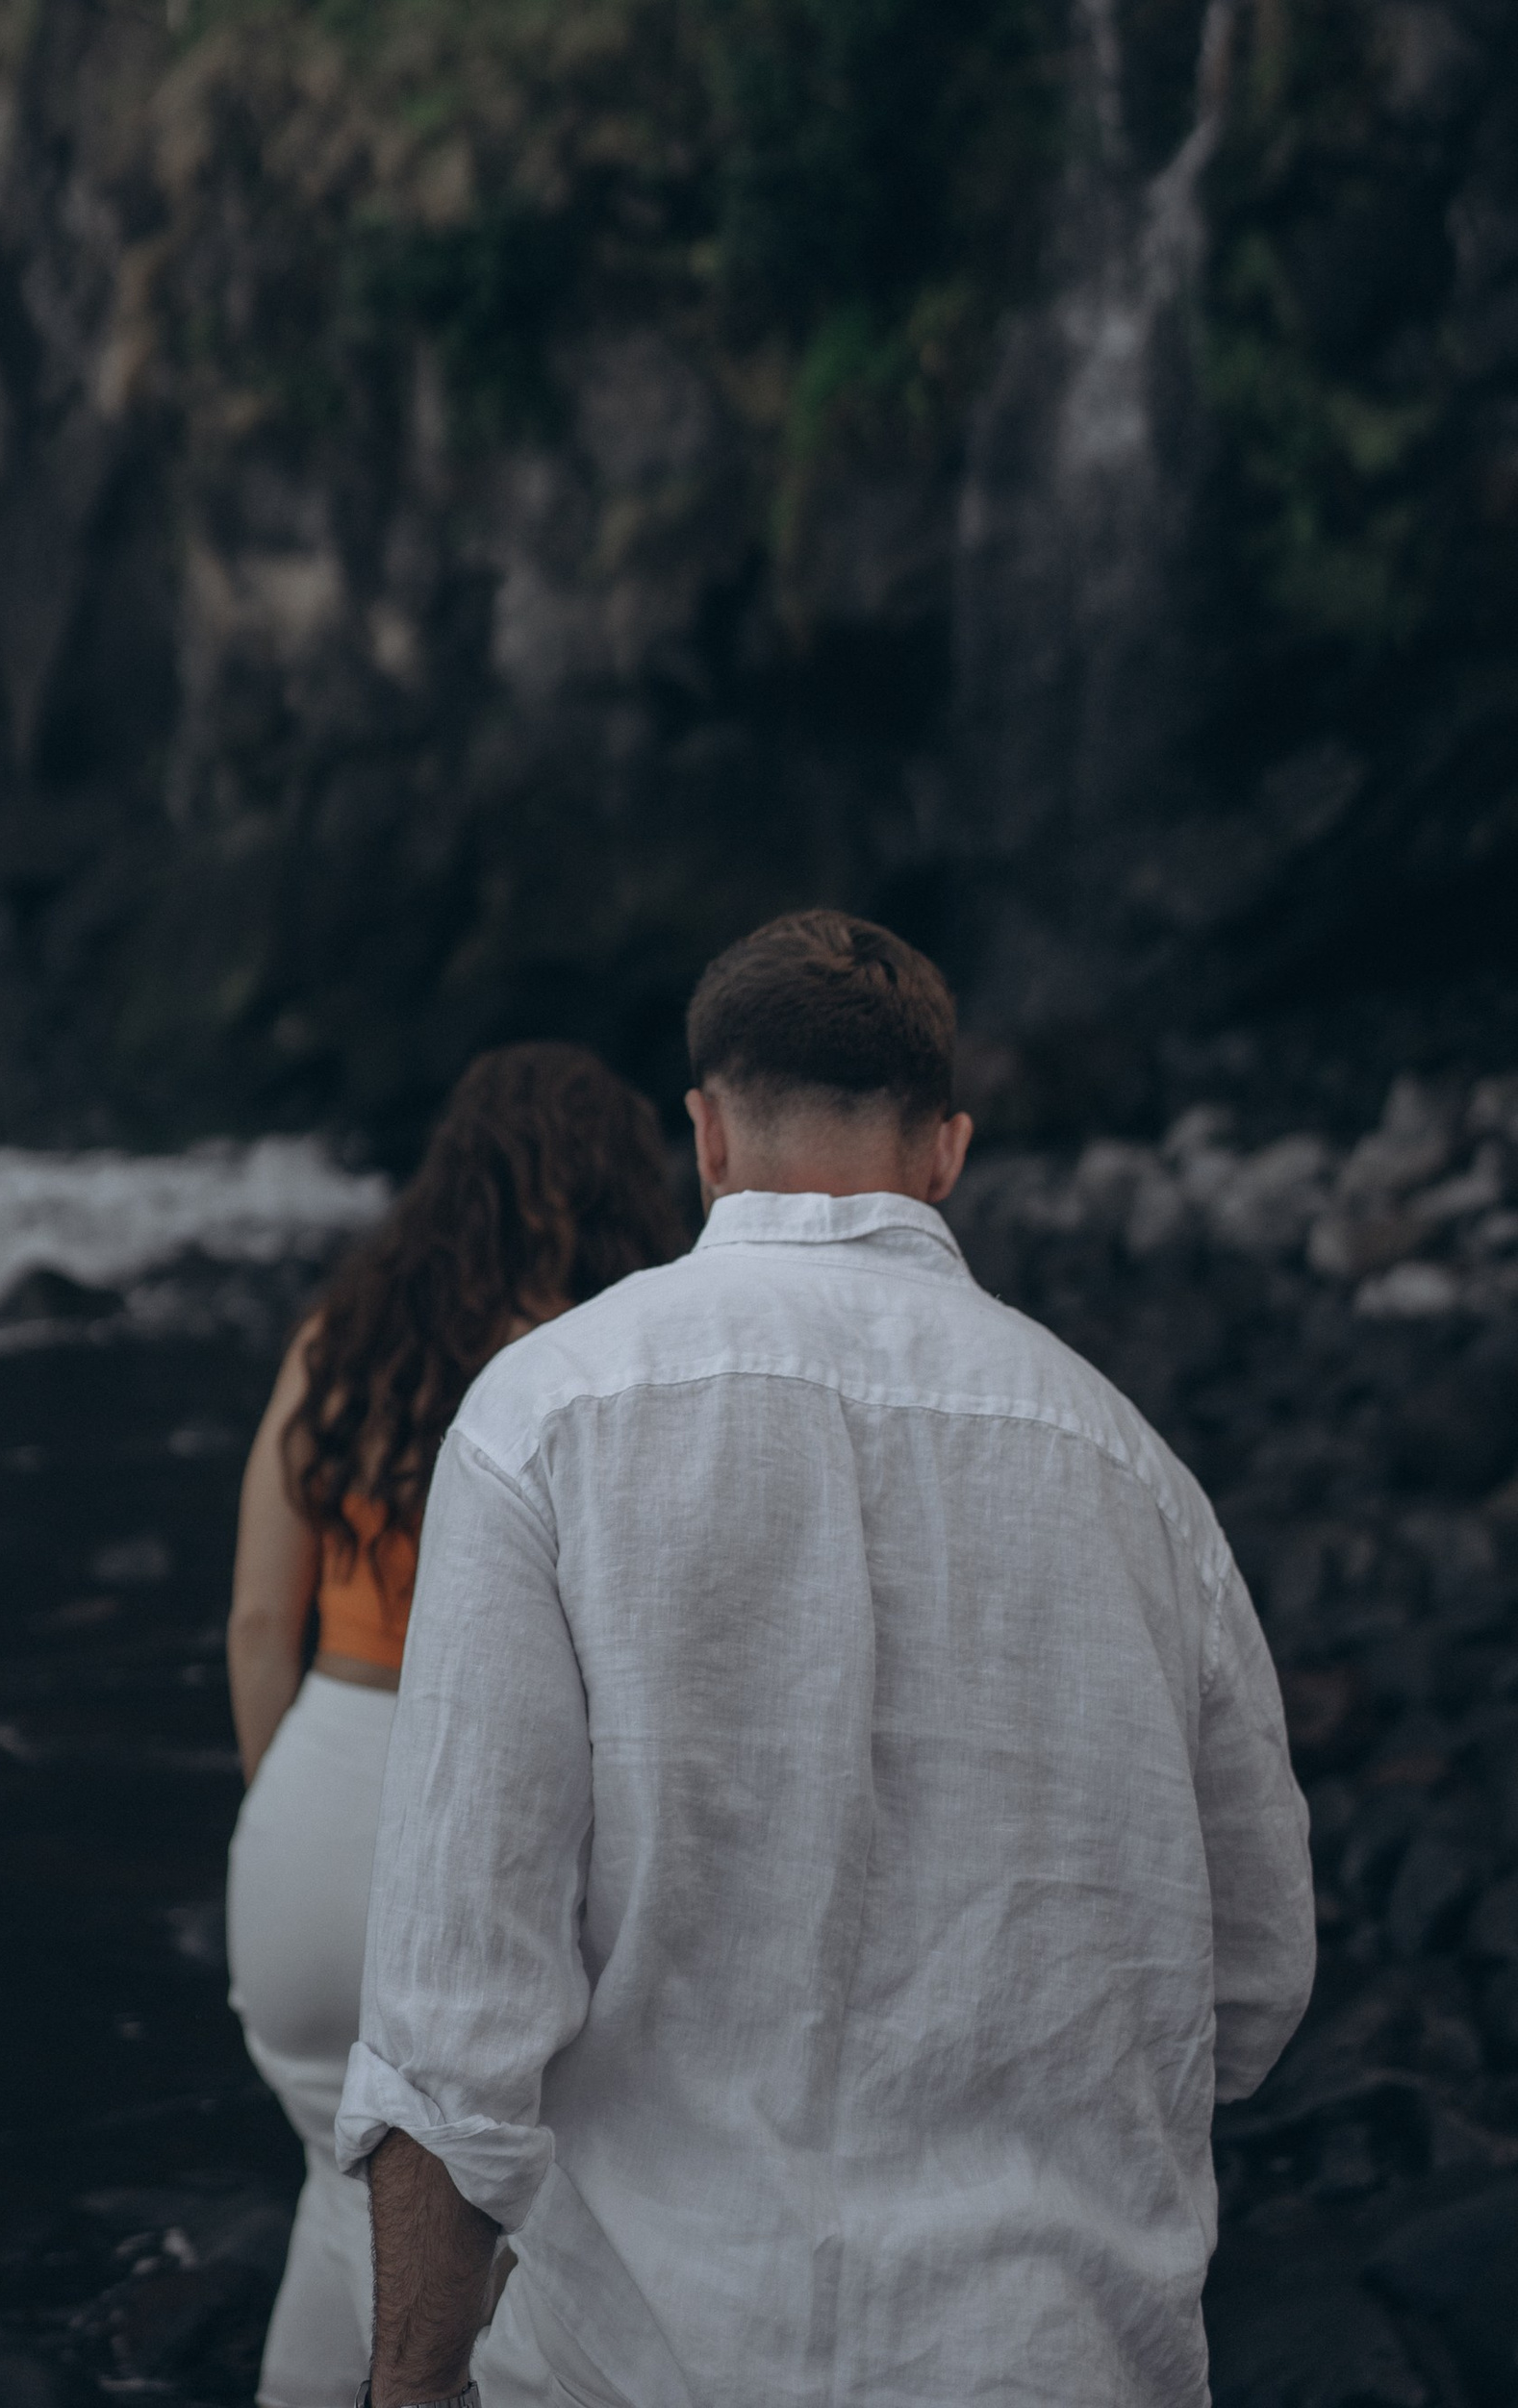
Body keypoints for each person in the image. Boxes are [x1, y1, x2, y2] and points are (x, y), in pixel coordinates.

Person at [340, 909, 1317, 2408]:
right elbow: (1254, 1986)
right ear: (947, 1153)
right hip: (1048, 2363)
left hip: (651, 2361)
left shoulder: (546, 1416)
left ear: (708, 1134)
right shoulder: (1138, 1477)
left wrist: (408, 2386)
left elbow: (450, 2021)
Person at [225, 1042, 690, 2408]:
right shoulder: (603, 1365)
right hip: (483, 1817)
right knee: (501, 2258)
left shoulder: (346, 1334)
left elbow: (261, 1622)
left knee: (342, 2190)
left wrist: (279, 1816)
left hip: (307, 1814)